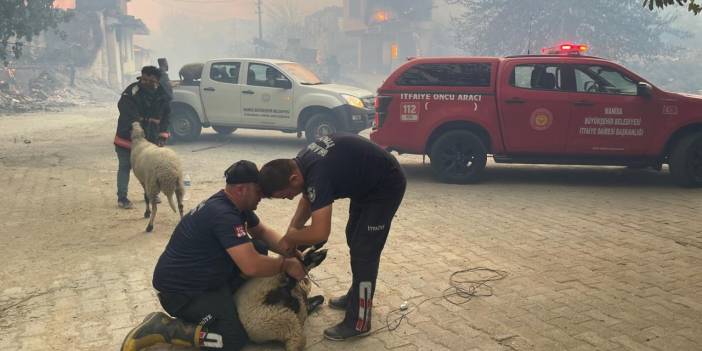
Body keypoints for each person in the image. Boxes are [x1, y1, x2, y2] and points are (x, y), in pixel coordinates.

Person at [120, 161, 310, 351]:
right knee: (231, 338)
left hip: (201, 276)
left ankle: (225, 303)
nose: (262, 196)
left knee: (258, 247)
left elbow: (261, 232)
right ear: (242, 189)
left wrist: (289, 250)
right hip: (182, 294)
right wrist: (285, 265)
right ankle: (166, 328)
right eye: (258, 191)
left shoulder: (233, 204)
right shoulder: (223, 214)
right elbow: (251, 266)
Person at [258, 133, 406, 340]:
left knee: (365, 251)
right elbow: (308, 200)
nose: (290, 198)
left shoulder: (318, 174)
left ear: (293, 178)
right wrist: (291, 233)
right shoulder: (300, 164)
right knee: (353, 236)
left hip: (385, 187)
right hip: (366, 187)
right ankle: (356, 296)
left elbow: (320, 233)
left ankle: (360, 321)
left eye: (286, 194)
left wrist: (293, 238)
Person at [114, 65, 172, 209]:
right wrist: (136, 125)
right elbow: (125, 109)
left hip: (148, 142)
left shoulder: (162, 96)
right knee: (125, 166)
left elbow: (166, 117)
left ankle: (150, 193)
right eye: (144, 79)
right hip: (127, 138)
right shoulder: (131, 92)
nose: (146, 83)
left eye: (150, 81)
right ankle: (122, 198)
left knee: (148, 169)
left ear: (157, 82)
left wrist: (162, 135)